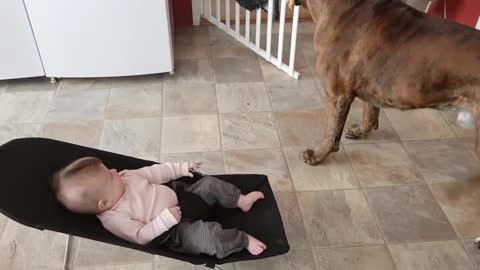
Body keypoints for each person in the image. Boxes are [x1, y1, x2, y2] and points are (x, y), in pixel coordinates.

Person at [50, 157, 267, 258]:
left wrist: (180, 168)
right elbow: (140, 236)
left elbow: (155, 172)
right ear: (104, 203)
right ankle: (242, 240)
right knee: (209, 238)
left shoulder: (126, 177)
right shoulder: (114, 218)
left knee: (210, 184)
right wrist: (164, 221)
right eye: (110, 176)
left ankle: (241, 200)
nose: (116, 171)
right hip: (175, 232)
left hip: (185, 199)